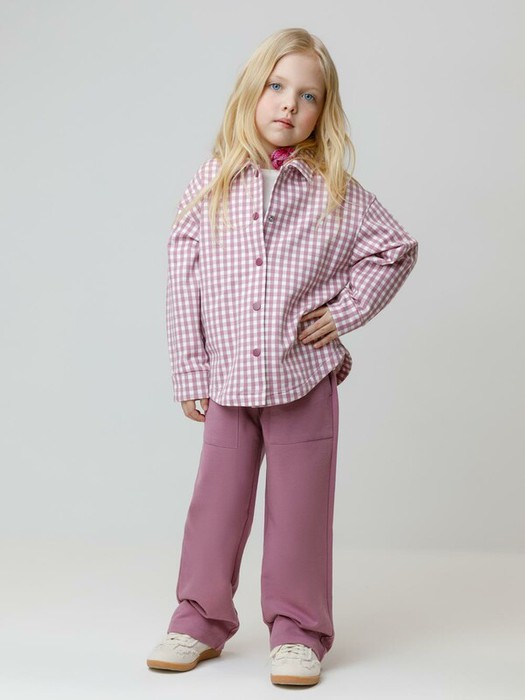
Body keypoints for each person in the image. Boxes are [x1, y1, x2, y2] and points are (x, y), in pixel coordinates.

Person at [146, 27, 419, 687]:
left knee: (299, 512)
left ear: (323, 112)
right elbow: (182, 274)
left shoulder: (335, 190)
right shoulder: (213, 182)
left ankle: (298, 631)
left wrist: (345, 313)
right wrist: (190, 369)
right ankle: (198, 619)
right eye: (276, 86)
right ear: (252, 91)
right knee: (215, 506)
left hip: (303, 379)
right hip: (229, 381)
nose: (289, 104)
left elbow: (395, 248)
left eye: (308, 95)